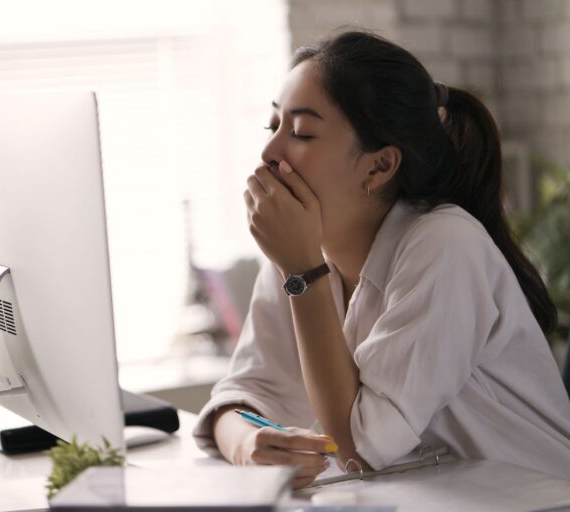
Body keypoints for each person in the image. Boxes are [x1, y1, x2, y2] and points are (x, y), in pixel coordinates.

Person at [192, 30, 570, 490]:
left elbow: (358, 449)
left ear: (379, 166)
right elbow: (243, 394)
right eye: (273, 127)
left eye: (301, 133)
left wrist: (302, 273)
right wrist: (247, 445)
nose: (269, 154)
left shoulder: (445, 245)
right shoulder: (296, 254)